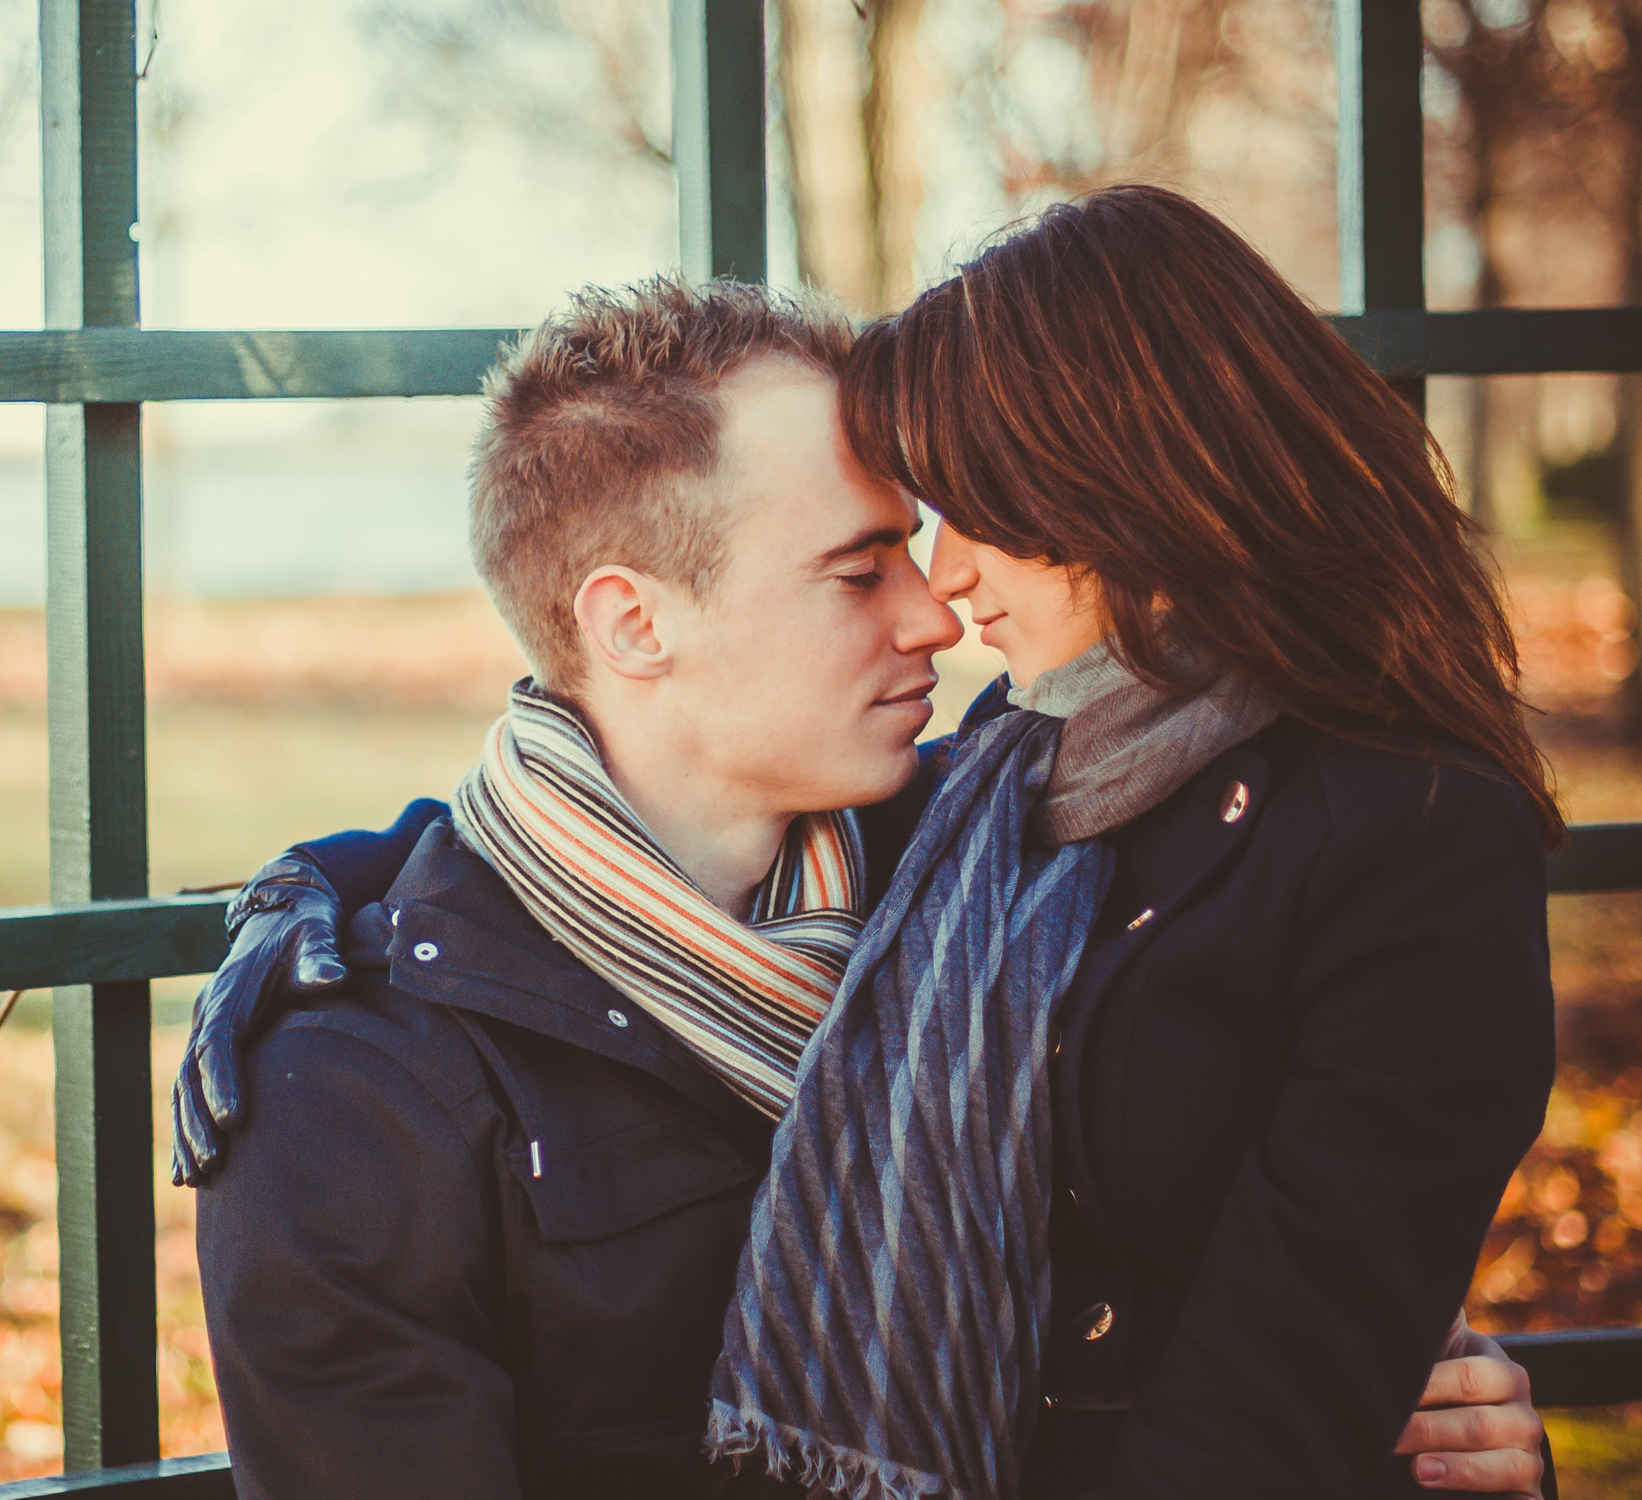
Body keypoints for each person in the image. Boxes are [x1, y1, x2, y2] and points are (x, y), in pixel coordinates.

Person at [179, 222, 1553, 1499]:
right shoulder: (353, 1093)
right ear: (634, 624)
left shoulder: (986, 864)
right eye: (859, 568)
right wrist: (297, 916)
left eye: (933, 535)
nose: (937, 613)